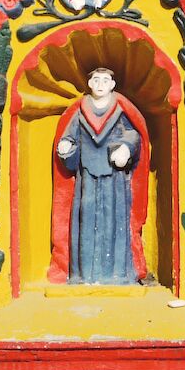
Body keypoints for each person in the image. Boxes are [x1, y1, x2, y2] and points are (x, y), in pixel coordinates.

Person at [53, 67, 148, 285]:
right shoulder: (79, 111)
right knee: (86, 219)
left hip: (114, 178)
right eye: (96, 80)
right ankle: (84, 274)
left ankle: (117, 273)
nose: (100, 84)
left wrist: (125, 147)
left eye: (105, 80)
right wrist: (67, 146)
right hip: (87, 175)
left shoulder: (120, 110)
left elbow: (133, 134)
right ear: (89, 84)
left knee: (114, 221)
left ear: (113, 85)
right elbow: (70, 136)